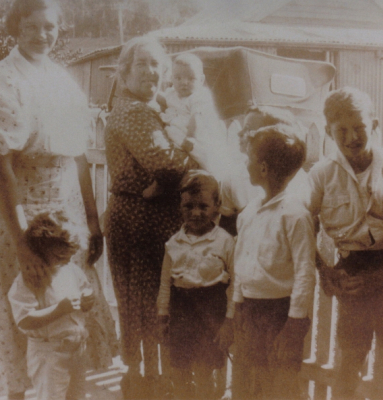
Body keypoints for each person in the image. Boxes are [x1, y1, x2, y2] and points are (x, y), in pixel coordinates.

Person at [0, 1, 118, 398]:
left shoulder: (63, 79)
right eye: (31, 27)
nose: (42, 36)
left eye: (49, 28)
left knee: (74, 305)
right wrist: (21, 243)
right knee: (25, 302)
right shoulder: (6, 79)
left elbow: (79, 155)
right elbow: (4, 166)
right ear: (14, 27)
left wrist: (91, 219)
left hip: (66, 211)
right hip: (22, 208)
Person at [104, 36, 198, 399]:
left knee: (149, 305)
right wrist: (205, 157)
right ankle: (149, 385)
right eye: (142, 64)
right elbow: (167, 162)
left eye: (157, 64)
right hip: (139, 221)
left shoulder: (153, 108)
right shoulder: (134, 112)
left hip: (147, 219)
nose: (152, 71)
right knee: (149, 303)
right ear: (124, 72)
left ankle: (151, 381)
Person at [308, 87, 383, 400]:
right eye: (341, 130)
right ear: (328, 132)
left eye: (359, 128)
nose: (351, 138)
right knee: (349, 360)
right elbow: (302, 227)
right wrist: (325, 271)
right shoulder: (321, 175)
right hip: (352, 272)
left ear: (374, 125)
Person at [232, 123, 316, 399]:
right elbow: (241, 263)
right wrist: (237, 306)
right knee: (248, 382)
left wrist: (294, 324)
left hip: (281, 314)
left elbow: (305, 273)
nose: (245, 164)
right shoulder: (249, 213)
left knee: (280, 385)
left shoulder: (294, 215)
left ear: (264, 168)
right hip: (251, 310)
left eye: (249, 159)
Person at [157, 170, 235, 400]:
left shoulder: (224, 241)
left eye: (203, 206)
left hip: (211, 312)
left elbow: (235, 284)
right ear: (180, 207)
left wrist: (229, 322)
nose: (196, 213)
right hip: (181, 312)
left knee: (204, 372)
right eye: (188, 206)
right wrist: (162, 317)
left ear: (217, 205)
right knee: (179, 371)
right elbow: (165, 284)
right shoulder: (173, 244)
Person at [8, 210, 95, 400]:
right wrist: (59, 309)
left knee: (77, 395)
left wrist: (88, 300)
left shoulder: (71, 270)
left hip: (77, 348)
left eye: (70, 257)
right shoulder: (30, 280)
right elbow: (25, 320)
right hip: (48, 354)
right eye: (59, 257)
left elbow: (85, 294)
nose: (66, 262)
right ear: (39, 249)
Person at [144, 53, 226, 199]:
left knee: (205, 162)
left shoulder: (199, 96)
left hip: (195, 133)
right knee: (167, 149)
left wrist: (190, 137)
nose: (184, 82)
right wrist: (152, 92)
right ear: (172, 79)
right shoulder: (172, 93)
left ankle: (165, 184)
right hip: (177, 129)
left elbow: (197, 117)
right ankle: (162, 182)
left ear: (201, 80)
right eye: (178, 78)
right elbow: (163, 99)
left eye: (191, 78)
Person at [220, 105, 309, 235]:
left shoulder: (296, 177)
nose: (239, 133)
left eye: (248, 130)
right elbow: (226, 228)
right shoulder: (232, 177)